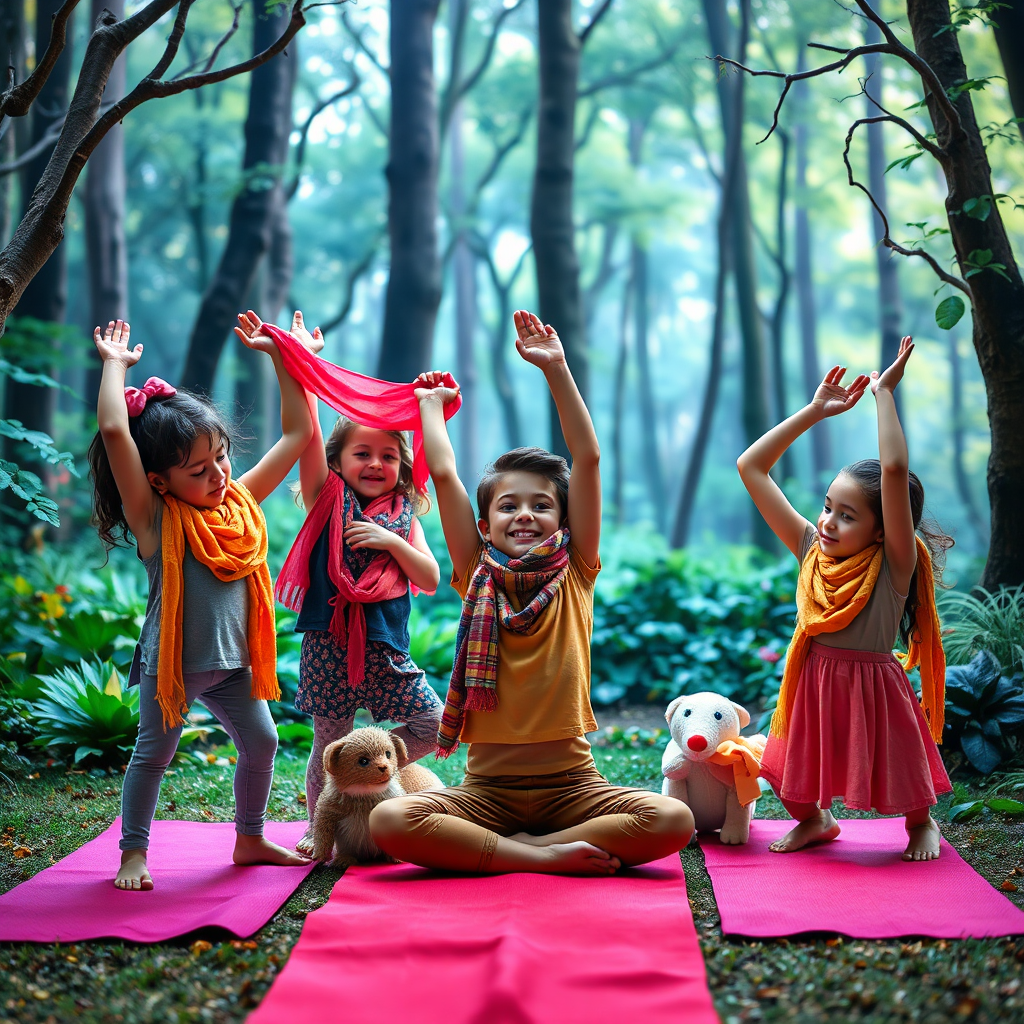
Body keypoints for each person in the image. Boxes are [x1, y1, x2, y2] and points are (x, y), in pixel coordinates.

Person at [368, 310, 694, 875]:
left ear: (563, 519)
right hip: (485, 792)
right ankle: (538, 855)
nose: (525, 515)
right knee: (388, 821)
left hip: (575, 789)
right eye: (508, 505)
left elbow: (588, 459)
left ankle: (520, 851)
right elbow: (445, 477)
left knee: (673, 820)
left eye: (541, 504)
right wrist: (428, 410)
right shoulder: (476, 572)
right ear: (486, 522)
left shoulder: (577, 571)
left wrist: (556, 368)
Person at [89, 318, 314, 891]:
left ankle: (249, 837)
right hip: (175, 667)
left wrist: (290, 360)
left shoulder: (237, 502)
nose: (218, 475)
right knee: (154, 755)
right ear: (160, 481)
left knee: (262, 742)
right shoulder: (154, 519)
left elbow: (295, 436)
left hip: (233, 663)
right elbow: (116, 431)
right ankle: (133, 854)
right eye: (199, 470)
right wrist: (115, 364)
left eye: (221, 459)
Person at [736, 337, 952, 861]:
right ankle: (816, 822)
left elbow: (895, 471)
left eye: (848, 515)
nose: (829, 521)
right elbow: (751, 468)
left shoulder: (894, 564)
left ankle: (921, 826)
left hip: (874, 684)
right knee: (792, 777)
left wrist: (882, 393)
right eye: (828, 506)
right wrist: (813, 412)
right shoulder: (811, 546)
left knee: (903, 770)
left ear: (882, 530)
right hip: (812, 680)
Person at [236, 311, 443, 851]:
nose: (376, 462)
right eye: (362, 453)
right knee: (324, 745)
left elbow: (431, 577)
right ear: (338, 460)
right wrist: (297, 361)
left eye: (389, 455)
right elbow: (300, 428)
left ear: (403, 467)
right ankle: (317, 832)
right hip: (329, 647)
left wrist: (393, 543)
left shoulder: (405, 518)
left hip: (385, 651)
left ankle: (363, 767)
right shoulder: (327, 498)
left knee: (437, 725)